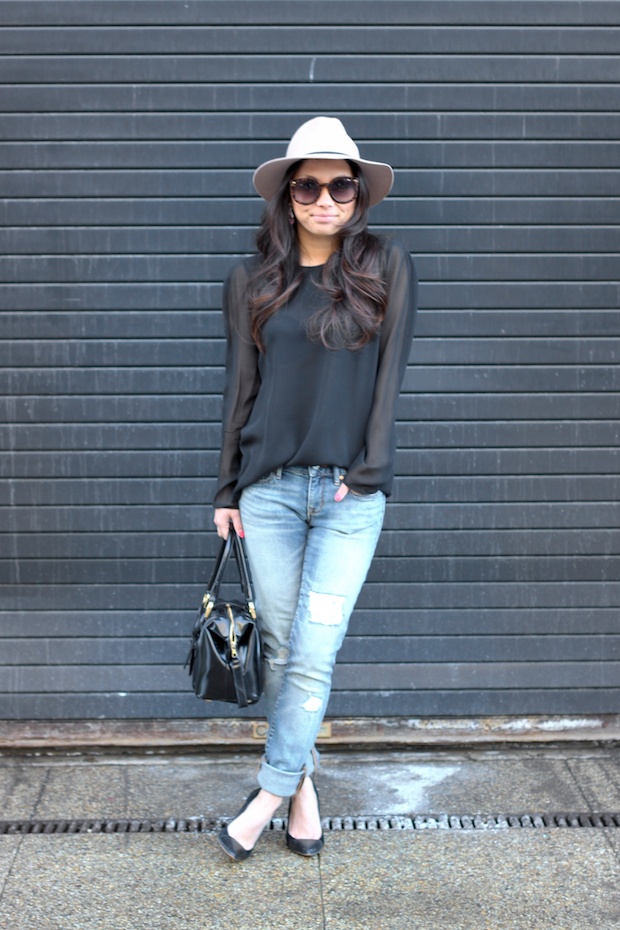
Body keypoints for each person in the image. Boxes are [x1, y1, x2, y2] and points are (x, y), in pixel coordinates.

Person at [213, 116, 417, 860]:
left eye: (339, 185)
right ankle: (301, 793)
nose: (325, 198)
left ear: (358, 194)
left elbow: (390, 382)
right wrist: (227, 490)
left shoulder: (387, 268)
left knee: (314, 650)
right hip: (266, 495)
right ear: (289, 197)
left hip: (349, 500)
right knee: (277, 646)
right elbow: (240, 388)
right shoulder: (252, 282)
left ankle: (265, 793)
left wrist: (369, 473)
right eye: (309, 185)